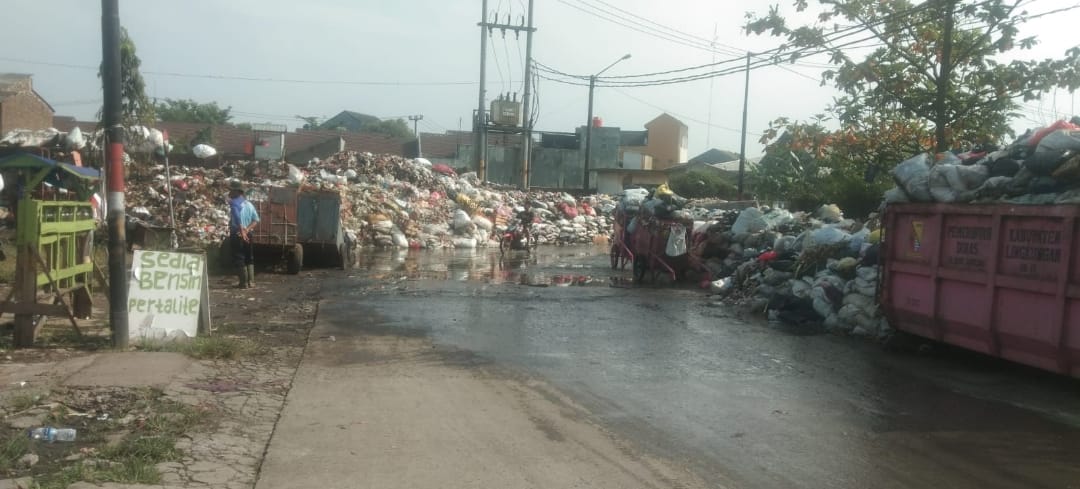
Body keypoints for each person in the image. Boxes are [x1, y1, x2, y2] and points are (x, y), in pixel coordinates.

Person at [228, 181, 260, 289]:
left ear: (237, 192)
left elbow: (237, 217)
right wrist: (247, 230)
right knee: (249, 257)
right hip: (249, 234)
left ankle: (243, 283)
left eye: (231, 190)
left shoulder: (234, 202)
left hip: (238, 234)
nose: (230, 192)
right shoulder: (249, 204)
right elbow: (256, 220)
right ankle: (252, 282)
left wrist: (242, 231)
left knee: (239, 257)